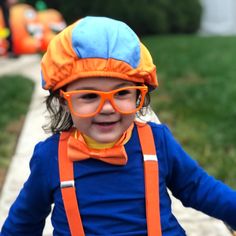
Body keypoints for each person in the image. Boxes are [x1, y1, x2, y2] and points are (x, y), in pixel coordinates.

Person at [1, 16, 236, 236]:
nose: (107, 108)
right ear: (64, 101)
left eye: (121, 93)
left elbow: (199, 188)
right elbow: (24, 220)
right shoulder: (50, 157)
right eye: (89, 96)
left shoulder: (157, 142)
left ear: (138, 96)